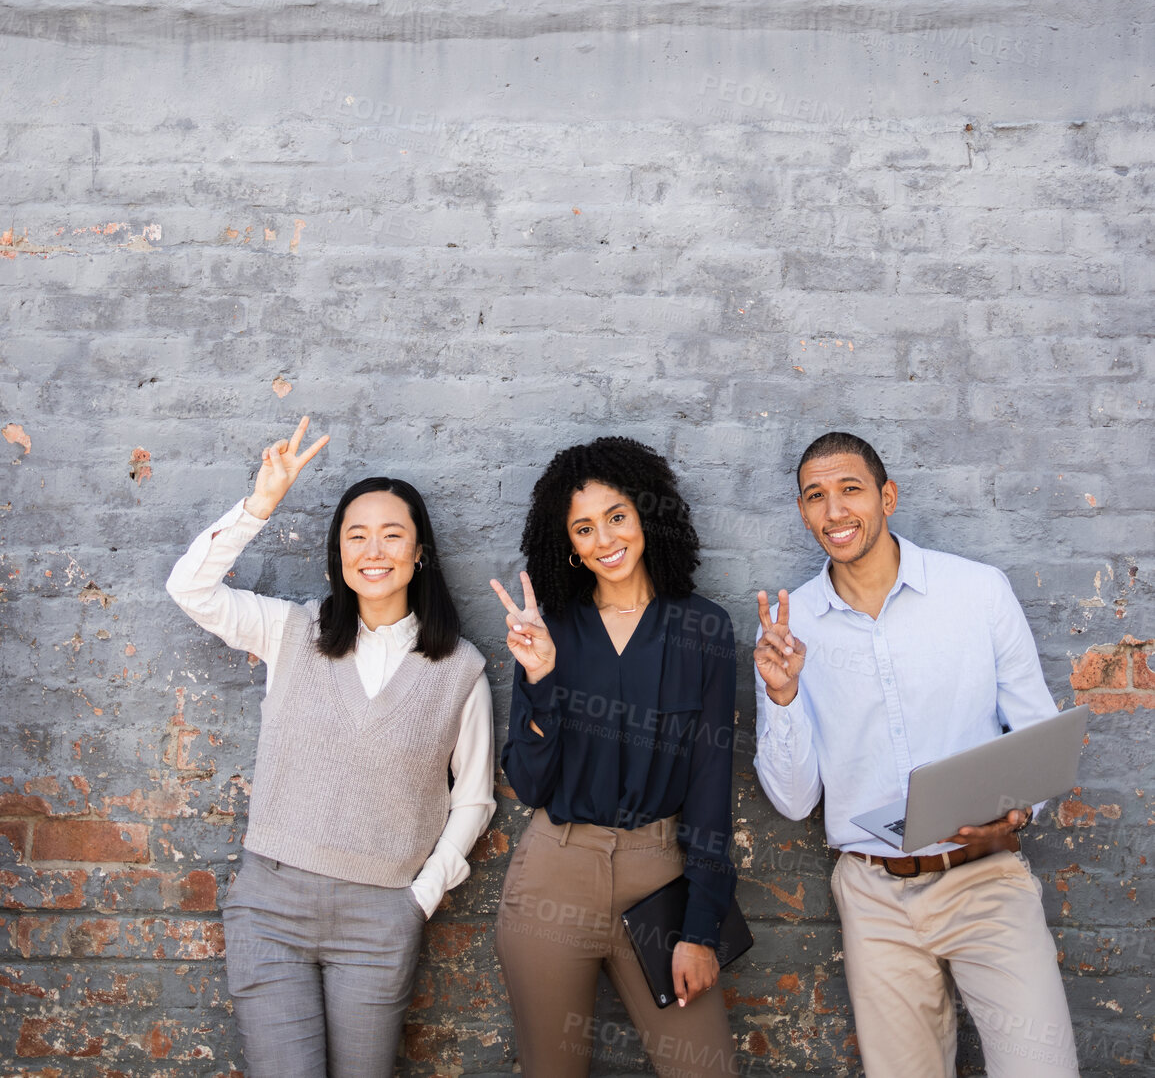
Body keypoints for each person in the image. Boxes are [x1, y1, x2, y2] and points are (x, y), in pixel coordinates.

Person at [166, 417, 495, 1078]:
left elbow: (475, 798)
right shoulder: (291, 632)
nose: (374, 549)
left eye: (392, 533)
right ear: (336, 554)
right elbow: (189, 589)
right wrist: (260, 502)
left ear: (418, 551)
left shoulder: (459, 667)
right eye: (357, 534)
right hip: (271, 908)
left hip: (380, 916)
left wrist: (419, 897)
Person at [753, 430, 1080, 1078]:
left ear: (887, 495)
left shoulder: (978, 591)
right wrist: (783, 694)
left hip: (985, 878)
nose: (834, 510)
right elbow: (793, 801)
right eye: (815, 496)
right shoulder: (791, 630)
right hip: (874, 896)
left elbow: (1035, 730)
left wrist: (1014, 813)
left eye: (850, 489)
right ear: (801, 511)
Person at [491, 436, 741, 1078]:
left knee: (705, 1069)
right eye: (583, 527)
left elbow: (713, 787)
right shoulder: (552, 631)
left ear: (645, 518)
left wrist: (702, 927)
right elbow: (527, 781)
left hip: (659, 873)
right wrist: (542, 681)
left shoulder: (703, 629)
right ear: (568, 544)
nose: (604, 538)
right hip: (555, 870)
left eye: (616, 516)